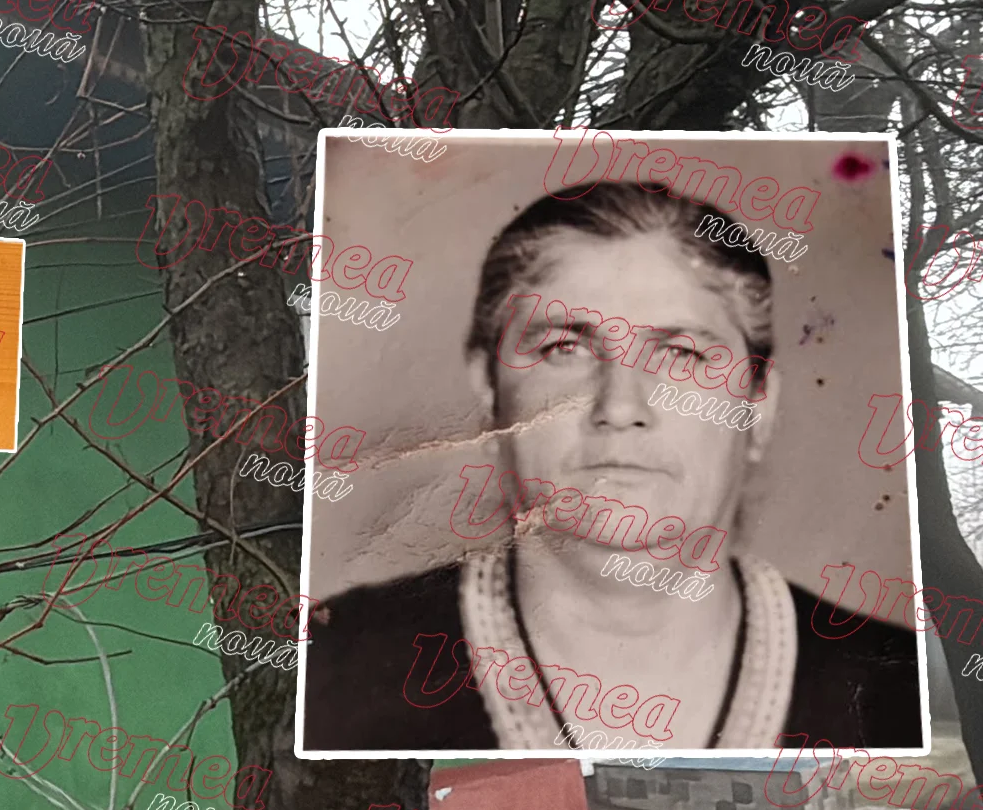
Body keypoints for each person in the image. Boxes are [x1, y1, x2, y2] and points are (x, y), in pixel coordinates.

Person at [301, 181, 920, 752]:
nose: (620, 407)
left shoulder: (895, 688)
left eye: (680, 354)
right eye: (564, 348)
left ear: (758, 406)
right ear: (490, 394)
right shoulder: (328, 668)